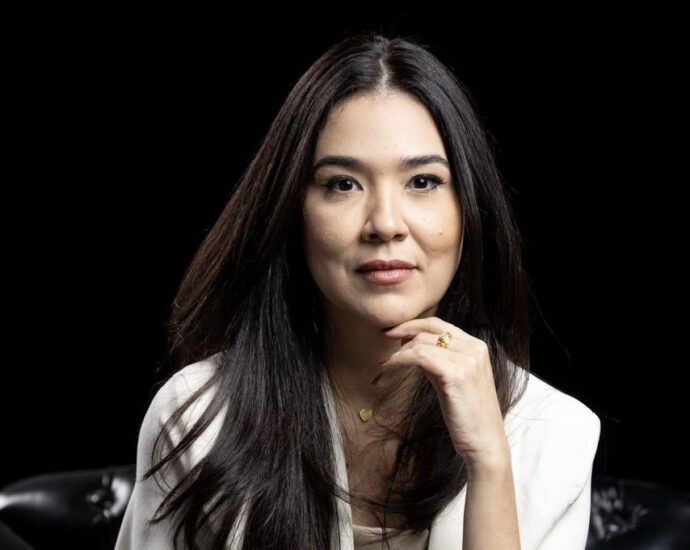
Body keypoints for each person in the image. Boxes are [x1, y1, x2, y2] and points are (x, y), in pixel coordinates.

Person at [114, 32, 600, 550]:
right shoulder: (196, 416)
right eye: (342, 184)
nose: (385, 223)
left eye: (422, 182)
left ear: (469, 210)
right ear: (293, 213)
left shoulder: (553, 433)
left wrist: (489, 463)